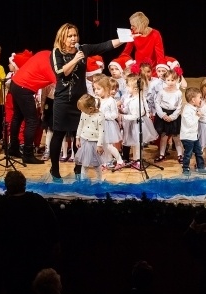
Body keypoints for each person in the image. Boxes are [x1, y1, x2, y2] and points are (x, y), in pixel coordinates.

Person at [48, 23, 123, 179]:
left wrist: (125, 39)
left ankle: (78, 168)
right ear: (62, 37)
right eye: (70, 36)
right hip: (63, 100)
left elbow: (105, 45)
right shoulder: (57, 52)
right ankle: (54, 169)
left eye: (75, 35)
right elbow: (61, 73)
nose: (73, 38)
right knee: (59, 134)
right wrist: (75, 59)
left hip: (81, 101)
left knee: (80, 135)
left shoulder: (83, 49)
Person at [0, 170, 59, 294]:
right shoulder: (37, 200)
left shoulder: (4, 206)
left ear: (7, 187)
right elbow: (53, 225)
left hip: (13, 262)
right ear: (24, 184)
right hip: (37, 258)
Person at [8, 50, 53, 164]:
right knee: (32, 121)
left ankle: (13, 148)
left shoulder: (45, 53)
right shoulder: (50, 66)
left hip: (15, 83)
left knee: (17, 117)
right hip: (24, 88)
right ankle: (28, 154)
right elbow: (59, 83)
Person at [73, 94, 105, 181]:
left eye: (83, 109)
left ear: (90, 108)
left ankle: (99, 180)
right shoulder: (84, 114)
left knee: (96, 164)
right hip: (84, 141)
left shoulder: (100, 116)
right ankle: (83, 181)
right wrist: (77, 138)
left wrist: (99, 145)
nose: (81, 111)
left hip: (94, 143)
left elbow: (101, 132)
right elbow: (80, 126)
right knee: (84, 164)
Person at [180, 87, 206, 174]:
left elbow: (202, 111)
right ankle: (185, 168)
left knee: (198, 152)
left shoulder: (194, 107)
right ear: (193, 100)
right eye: (200, 98)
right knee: (188, 154)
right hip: (187, 137)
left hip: (194, 136)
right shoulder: (187, 110)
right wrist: (197, 116)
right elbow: (190, 123)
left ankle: (200, 167)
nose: (201, 100)